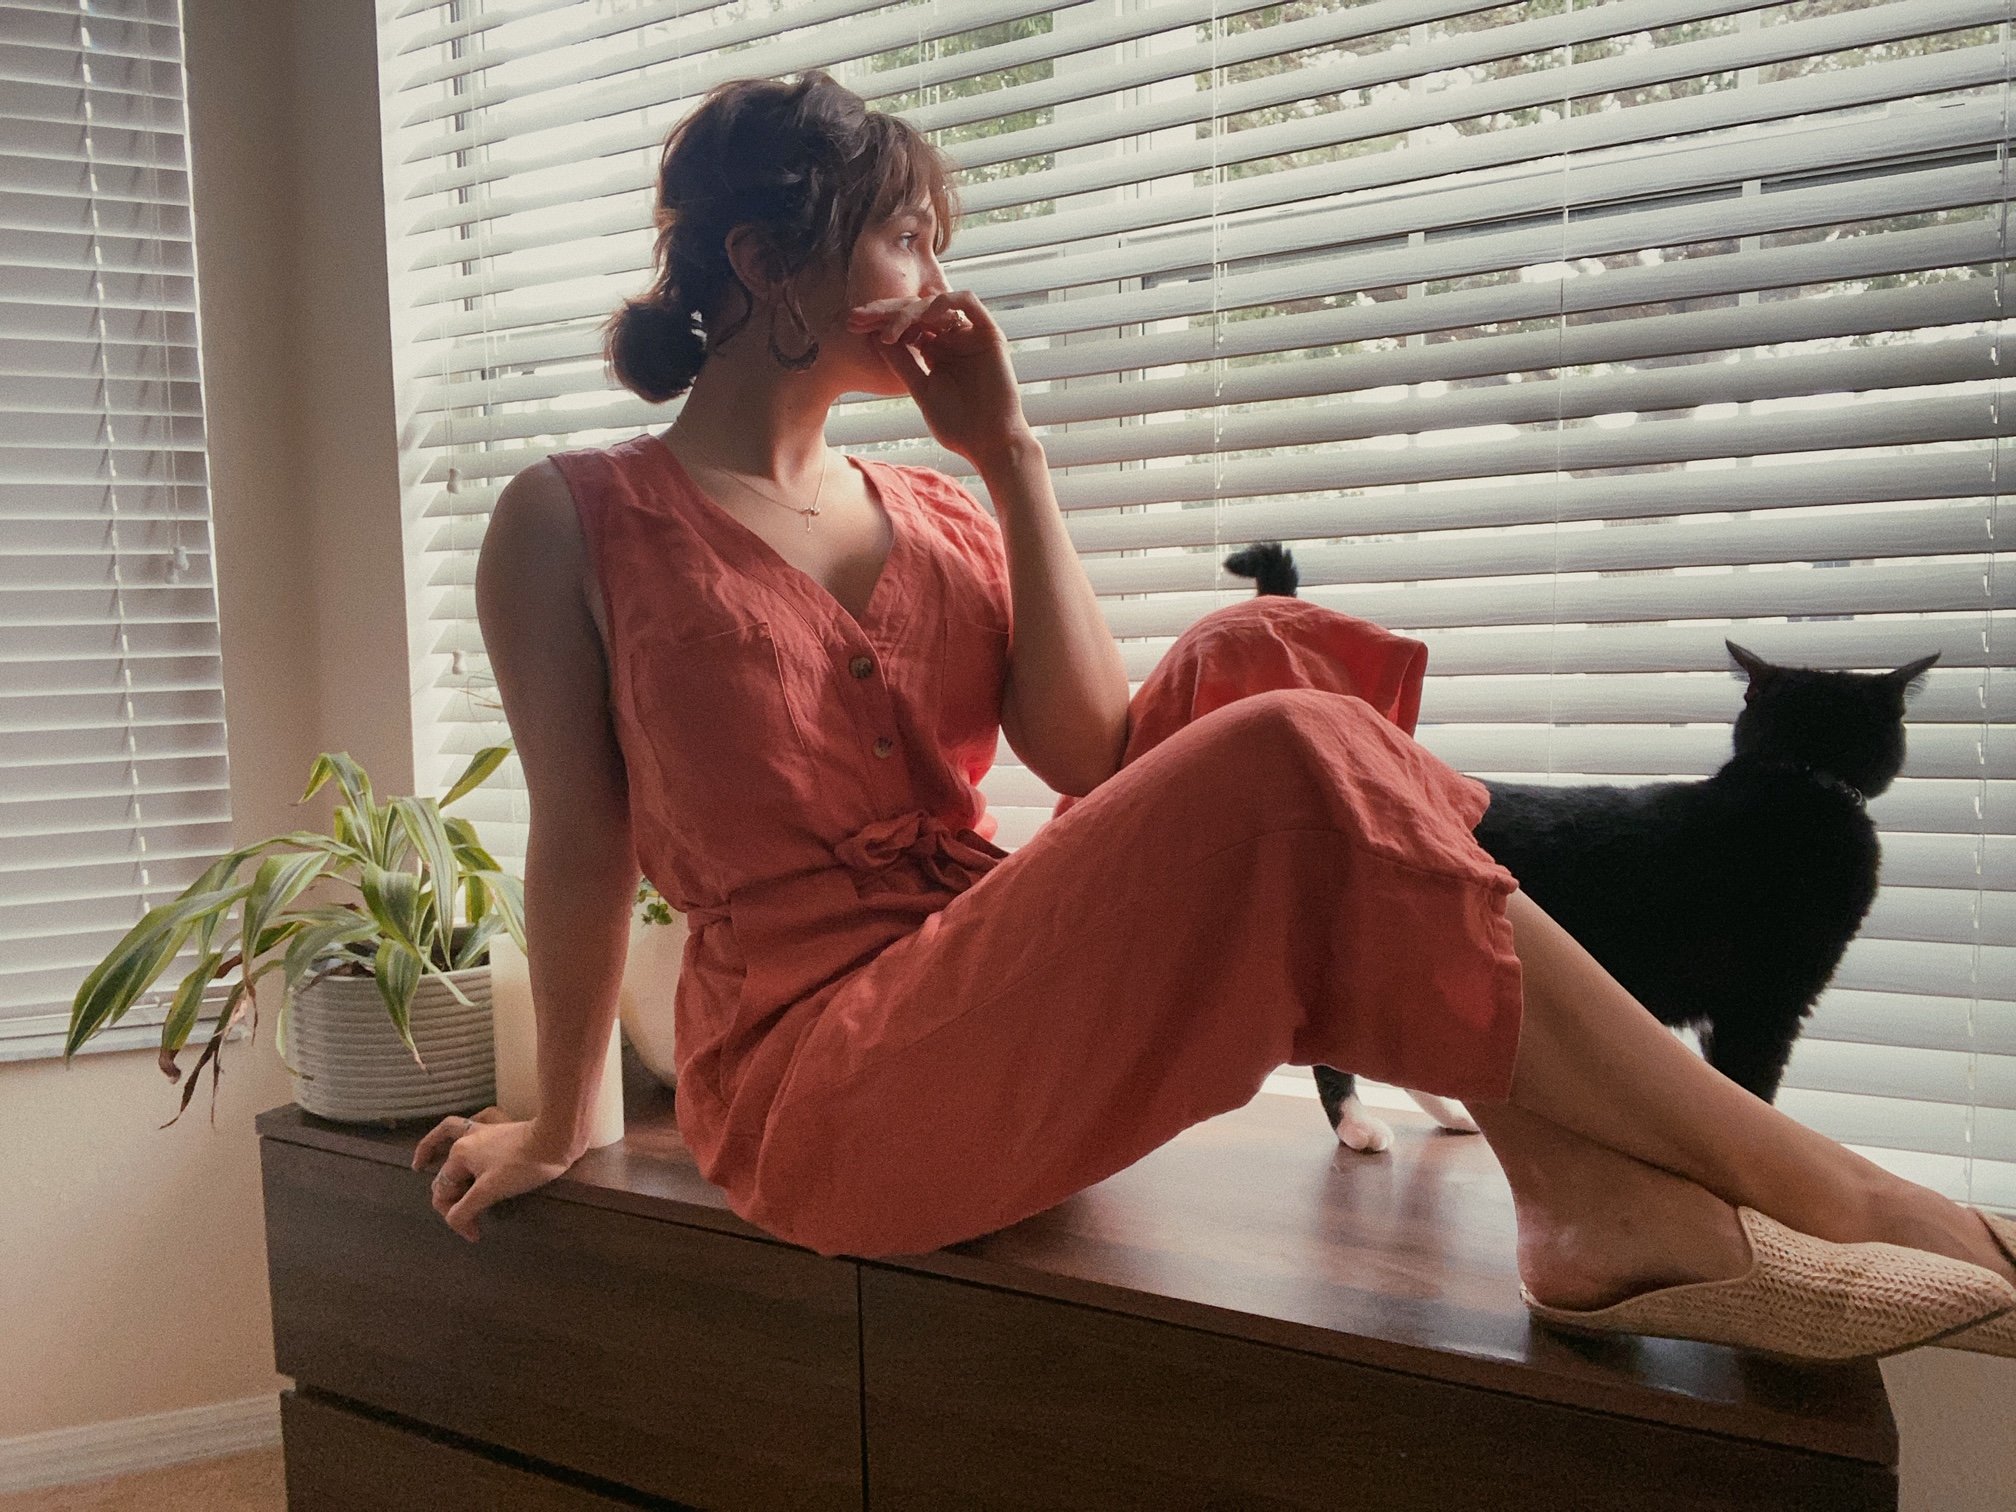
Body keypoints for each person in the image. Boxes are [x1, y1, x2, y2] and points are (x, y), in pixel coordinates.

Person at [416, 72, 2016, 1362]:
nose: (938, 277)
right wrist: (562, 1120)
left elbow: (1098, 758)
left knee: (1256, 670)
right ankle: (1802, 1180)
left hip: (997, 1007)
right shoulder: (575, 521)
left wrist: (1012, 457)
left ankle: (1575, 1181)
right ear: (766, 261)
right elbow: (580, 834)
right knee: (1285, 748)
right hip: (821, 1091)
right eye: (905, 237)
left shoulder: (938, 507)